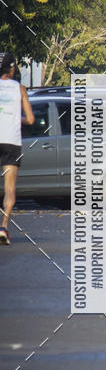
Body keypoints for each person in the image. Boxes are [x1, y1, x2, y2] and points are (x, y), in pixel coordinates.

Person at [0, 52, 34, 245]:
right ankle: (3, 228)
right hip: (11, 141)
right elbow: (29, 119)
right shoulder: (20, 89)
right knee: (10, 189)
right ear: (12, 68)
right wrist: (15, 118)